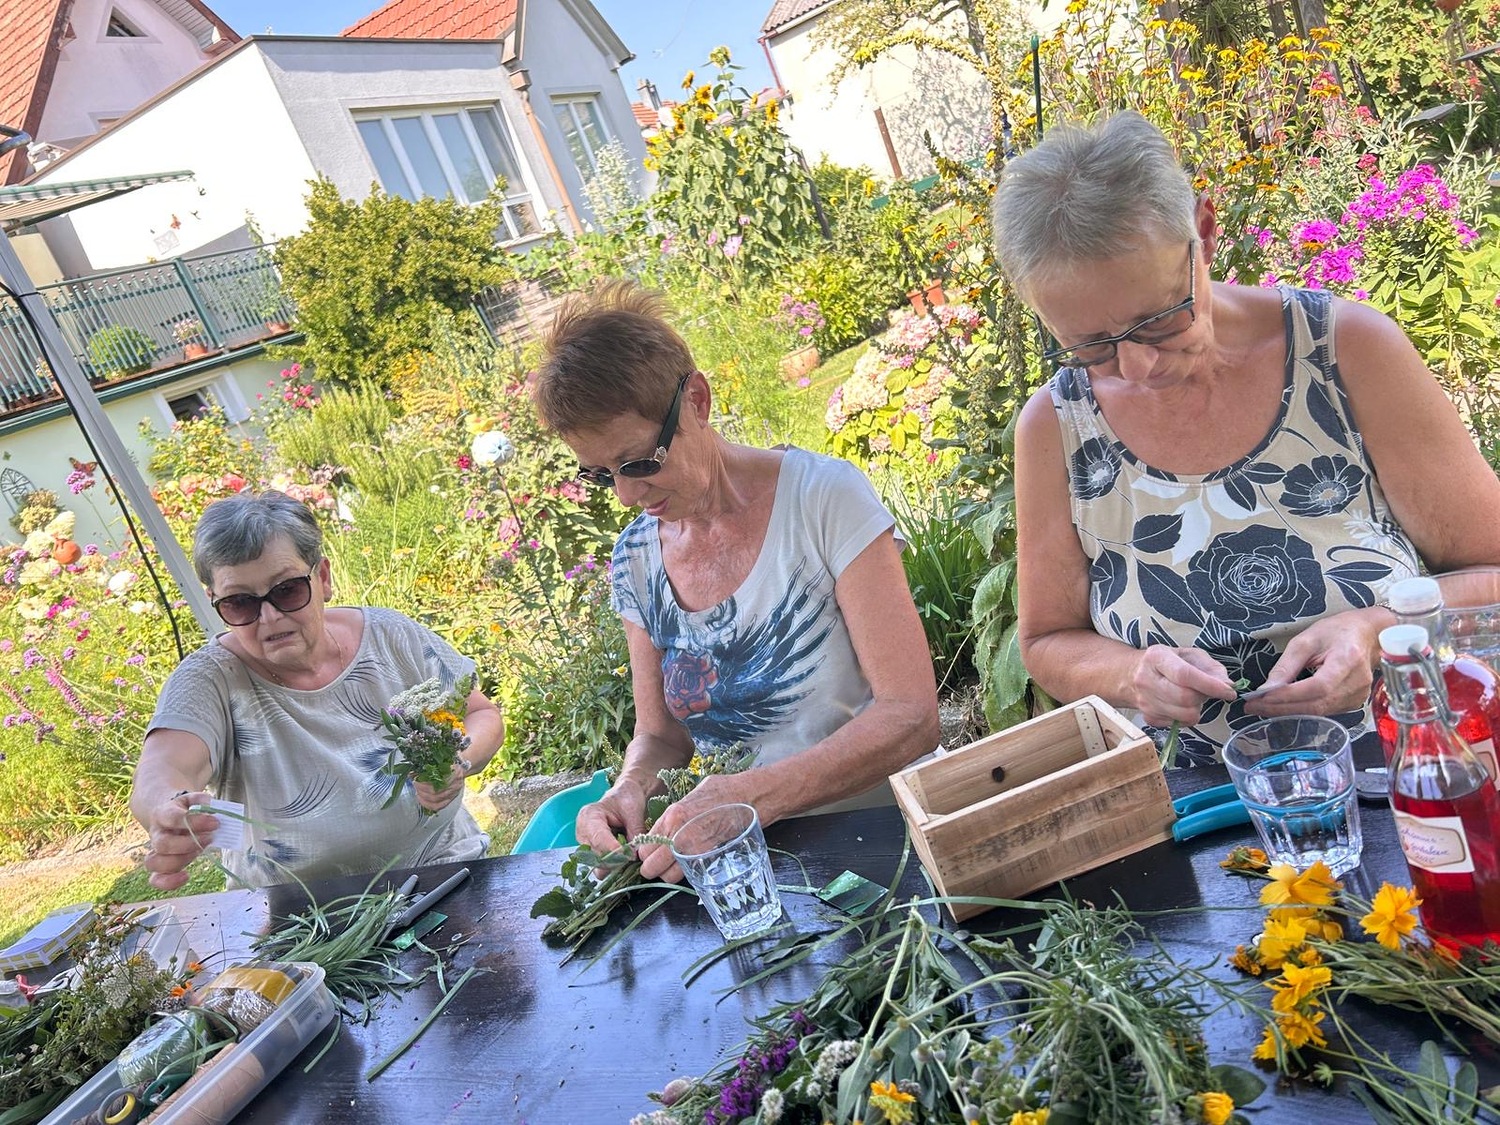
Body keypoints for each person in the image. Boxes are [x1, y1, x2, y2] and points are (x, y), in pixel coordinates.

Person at [996, 111, 1500, 764]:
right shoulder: (1056, 426)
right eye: (1090, 345)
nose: (1137, 366)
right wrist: (1131, 674)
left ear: (1204, 234)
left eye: (1160, 320)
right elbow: (1047, 641)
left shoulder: (1345, 350)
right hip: (1196, 794)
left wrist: (1380, 630)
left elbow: (1491, 572)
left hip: (1409, 765)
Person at [533, 281, 939, 880]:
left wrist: (754, 796)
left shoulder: (823, 499)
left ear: (696, 400)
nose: (625, 493)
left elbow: (911, 716)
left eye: (639, 462)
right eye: (600, 474)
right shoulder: (636, 560)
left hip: (898, 841)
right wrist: (629, 788)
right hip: (754, 868)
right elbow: (662, 738)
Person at [132, 490, 502, 889]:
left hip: (445, 869)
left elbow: (480, 714)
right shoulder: (210, 679)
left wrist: (458, 761)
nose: (269, 617)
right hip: (297, 908)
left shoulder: (391, 636)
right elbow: (163, 768)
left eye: (287, 590)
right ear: (215, 602)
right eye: (240, 602)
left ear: (322, 578)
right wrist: (167, 809)